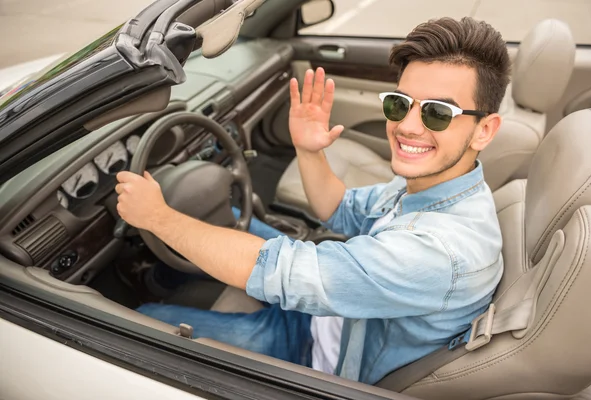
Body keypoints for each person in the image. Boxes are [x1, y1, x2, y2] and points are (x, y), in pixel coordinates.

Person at [114, 16, 510, 385]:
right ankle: (165, 275)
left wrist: (158, 217)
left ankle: (153, 284)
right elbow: (340, 210)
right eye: (400, 103)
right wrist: (308, 149)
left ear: (484, 130)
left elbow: (277, 271)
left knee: (144, 319)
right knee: (226, 217)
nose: (406, 126)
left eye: (438, 113)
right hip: (330, 308)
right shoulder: (436, 187)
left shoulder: (438, 253)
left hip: (314, 355)